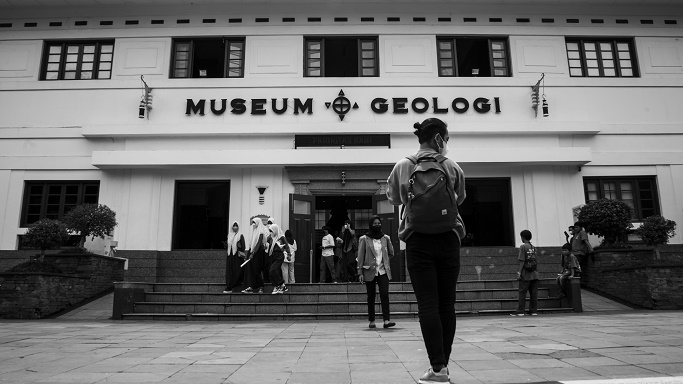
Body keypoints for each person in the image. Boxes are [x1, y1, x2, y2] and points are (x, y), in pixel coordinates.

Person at [387, 118, 466, 384]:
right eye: (446, 139)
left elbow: (395, 198)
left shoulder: (403, 166)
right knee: (447, 303)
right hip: (448, 239)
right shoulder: (452, 166)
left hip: (418, 240)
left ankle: (438, 367)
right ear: (439, 139)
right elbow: (460, 198)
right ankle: (443, 365)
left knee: (428, 304)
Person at [357, 215, 396, 329]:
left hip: (383, 271)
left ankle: (386, 320)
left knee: (384, 295)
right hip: (369, 271)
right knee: (371, 296)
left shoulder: (386, 238)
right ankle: (372, 321)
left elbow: (391, 253)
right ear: (370, 225)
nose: (377, 225)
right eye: (375, 223)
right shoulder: (364, 239)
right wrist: (360, 272)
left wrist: (385, 261)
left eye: (379, 223)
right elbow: (360, 256)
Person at [513, 229, 539, 316]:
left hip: (526, 274)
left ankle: (521, 311)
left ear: (523, 238)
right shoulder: (533, 247)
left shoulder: (523, 247)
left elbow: (522, 261)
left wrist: (519, 273)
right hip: (534, 274)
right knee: (534, 293)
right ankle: (533, 310)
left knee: (522, 292)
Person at [242, 218, 268, 294]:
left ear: (258, 223)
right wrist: (248, 254)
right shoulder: (253, 231)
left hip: (258, 252)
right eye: (252, 222)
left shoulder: (261, 232)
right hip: (252, 252)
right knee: (251, 270)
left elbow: (259, 243)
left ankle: (261, 287)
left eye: (254, 222)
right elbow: (251, 244)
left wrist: (253, 253)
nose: (253, 224)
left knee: (256, 270)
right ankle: (251, 286)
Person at [224, 221, 246, 293]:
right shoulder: (229, 235)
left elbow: (243, 247)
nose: (235, 227)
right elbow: (228, 245)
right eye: (234, 226)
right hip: (230, 255)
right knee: (230, 270)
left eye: (236, 226)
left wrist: (238, 246)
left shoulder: (240, 235)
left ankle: (236, 284)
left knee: (237, 270)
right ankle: (229, 285)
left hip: (237, 256)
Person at [267, 224, 289, 294]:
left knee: (272, 270)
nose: (270, 232)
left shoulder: (281, 237)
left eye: (271, 231)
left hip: (279, 256)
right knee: (273, 272)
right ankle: (279, 286)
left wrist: (289, 254)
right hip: (272, 256)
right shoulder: (271, 237)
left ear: (275, 230)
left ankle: (280, 285)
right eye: (269, 231)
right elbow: (265, 243)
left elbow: (287, 246)